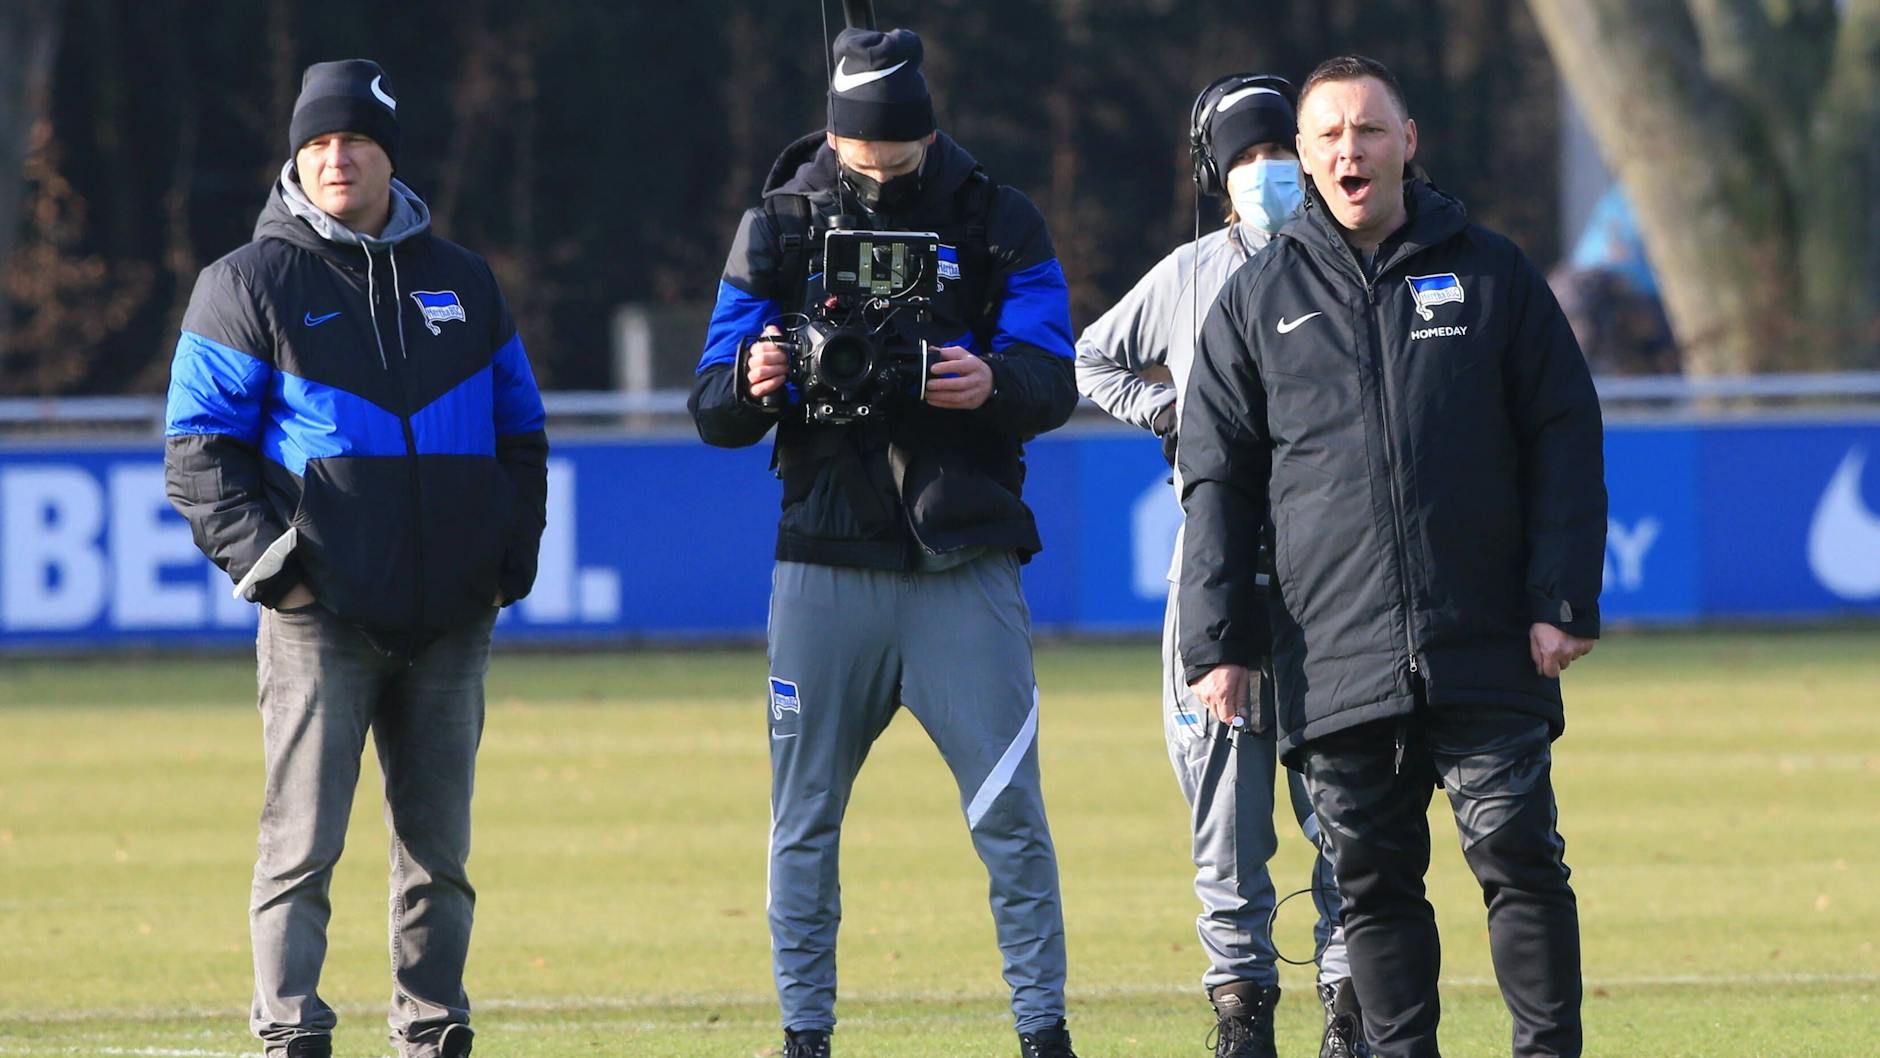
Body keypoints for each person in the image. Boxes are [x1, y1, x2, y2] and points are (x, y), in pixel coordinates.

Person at [1178, 54, 1605, 1058]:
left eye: (1367, 130)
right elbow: (1217, 481)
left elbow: (1563, 433)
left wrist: (1560, 596)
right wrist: (1218, 641)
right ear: (1303, 156)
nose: (1346, 149)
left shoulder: (1492, 271)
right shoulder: (1255, 301)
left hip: (1484, 637)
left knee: (1514, 853)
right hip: (1332, 653)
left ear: (1407, 142)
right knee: (1368, 883)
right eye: (1324, 135)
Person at [688, 25, 1082, 1058]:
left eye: (896, 159)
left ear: (928, 132)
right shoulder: (776, 225)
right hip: (821, 553)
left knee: (1010, 817)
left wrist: (989, 381)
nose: (876, 177)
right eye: (859, 160)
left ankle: (1042, 1030)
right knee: (802, 821)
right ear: (829, 134)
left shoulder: (999, 219)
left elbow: (1056, 378)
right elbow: (710, 405)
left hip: (964, 557)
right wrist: (753, 378)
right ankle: (803, 1035)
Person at [164, 59, 547, 1058]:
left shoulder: (464, 279)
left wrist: (507, 556)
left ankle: (432, 1020)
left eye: (357, 140)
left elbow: (520, 433)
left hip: (453, 614)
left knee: (440, 851)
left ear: (389, 156)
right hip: (318, 616)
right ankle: (289, 1022)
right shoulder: (246, 282)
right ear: (296, 156)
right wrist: (280, 571)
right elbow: (197, 453)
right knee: (302, 842)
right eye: (318, 142)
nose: (338, 157)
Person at [1074, 73, 1367, 1058]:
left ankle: (1347, 994)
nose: (1264, 174)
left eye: (1275, 153)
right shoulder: (1187, 274)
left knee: (1342, 790)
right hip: (1215, 563)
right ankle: (1239, 999)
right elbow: (1092, 358)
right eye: (1243, 160)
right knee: (1222, 793)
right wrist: (1174, 417)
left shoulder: (1350, 265)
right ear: (1215, 174)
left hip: (1333, 569)